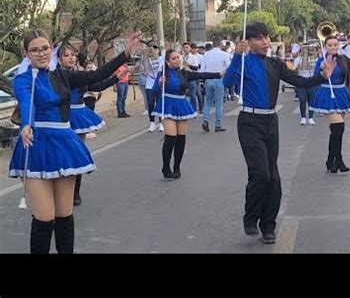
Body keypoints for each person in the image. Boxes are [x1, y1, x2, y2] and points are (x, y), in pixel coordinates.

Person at [8, 29, 139, 253]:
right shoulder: (22, 79)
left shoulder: (62, 75)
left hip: (64, 144)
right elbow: (26, 100)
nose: (41, 53)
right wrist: (26, 125)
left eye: (45, 48)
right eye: (35, 50)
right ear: (27, 53)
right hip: (36, 146)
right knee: (44, 217)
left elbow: (94, 77)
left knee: (64, 215)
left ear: (52, 49)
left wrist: (124, 53)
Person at [223, 22, 334, 244]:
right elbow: (227, 82)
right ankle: (250, 218)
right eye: (259, 38)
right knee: (260, 173)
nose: (265, 42)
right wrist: (236, 56)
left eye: (266, 37)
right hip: (249, 122)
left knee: (273, 177)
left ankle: (268, 226)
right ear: (248, 41)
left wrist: (322, 76)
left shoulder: (275, 64)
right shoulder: (243, 62)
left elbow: (300, 81)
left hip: (270, 121)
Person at [58, 44, 125, 206]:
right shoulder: (55, 77)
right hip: (63, 117)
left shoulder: (80, 76)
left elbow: (97, 85)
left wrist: (116, 78)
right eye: (66, 55)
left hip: (79, 115)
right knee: (62, 154)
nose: (71, 57)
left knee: (77, 152)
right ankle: (60, 189)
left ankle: (75, 191)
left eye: (72, 54)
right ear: (59, 59)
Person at [152, 49, 222, 180]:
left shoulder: (184, 73)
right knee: (171, 137)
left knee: (181, 138)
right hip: (167, 105)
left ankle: (177, 166)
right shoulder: (163, 73)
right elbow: (155, 90)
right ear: (167, 61)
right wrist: (160, 82)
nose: (177, 60)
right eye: (173, 58)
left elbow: (201, 75)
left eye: (178, 57)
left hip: (181, 104)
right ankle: (165, 167)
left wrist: (218, 74)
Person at [309, 36, 350, 174]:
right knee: (337, 128)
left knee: (338, 131)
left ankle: (331, 160)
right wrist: (322, 70)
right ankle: (338, 160)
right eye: (330, 45)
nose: (333, 47)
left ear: (338, 45)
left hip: (341, 93)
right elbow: (315, 78)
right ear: (325, 46)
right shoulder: (322, 60)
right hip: (327, 93)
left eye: (335, 45)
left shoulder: (343, 60)